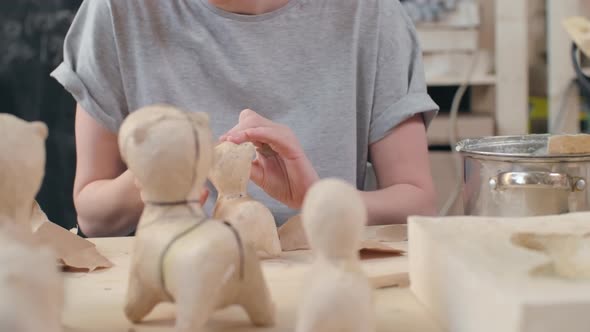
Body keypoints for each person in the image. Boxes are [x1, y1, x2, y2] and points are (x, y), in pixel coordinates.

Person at [51, 0, 439, 237]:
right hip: (176, 275)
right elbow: (93, 216)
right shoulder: (118, 11)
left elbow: (418, 203)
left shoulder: (371, 13)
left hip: (321, 273)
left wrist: (321, 201)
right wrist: (159, 175)